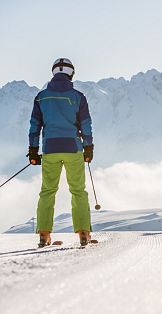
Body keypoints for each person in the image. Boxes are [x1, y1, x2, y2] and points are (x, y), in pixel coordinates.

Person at [28, 58, 95, 247]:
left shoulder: (41, 97)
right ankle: (83, 233)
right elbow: (86, 124)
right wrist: (88, 148)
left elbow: (35, 125)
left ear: (54, 73)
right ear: (71, 73)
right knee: (78, 191)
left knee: (47, 191)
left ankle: (44, 234)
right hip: (73, 148)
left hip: (50, 149)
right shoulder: (78, 97)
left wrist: (33, 150)